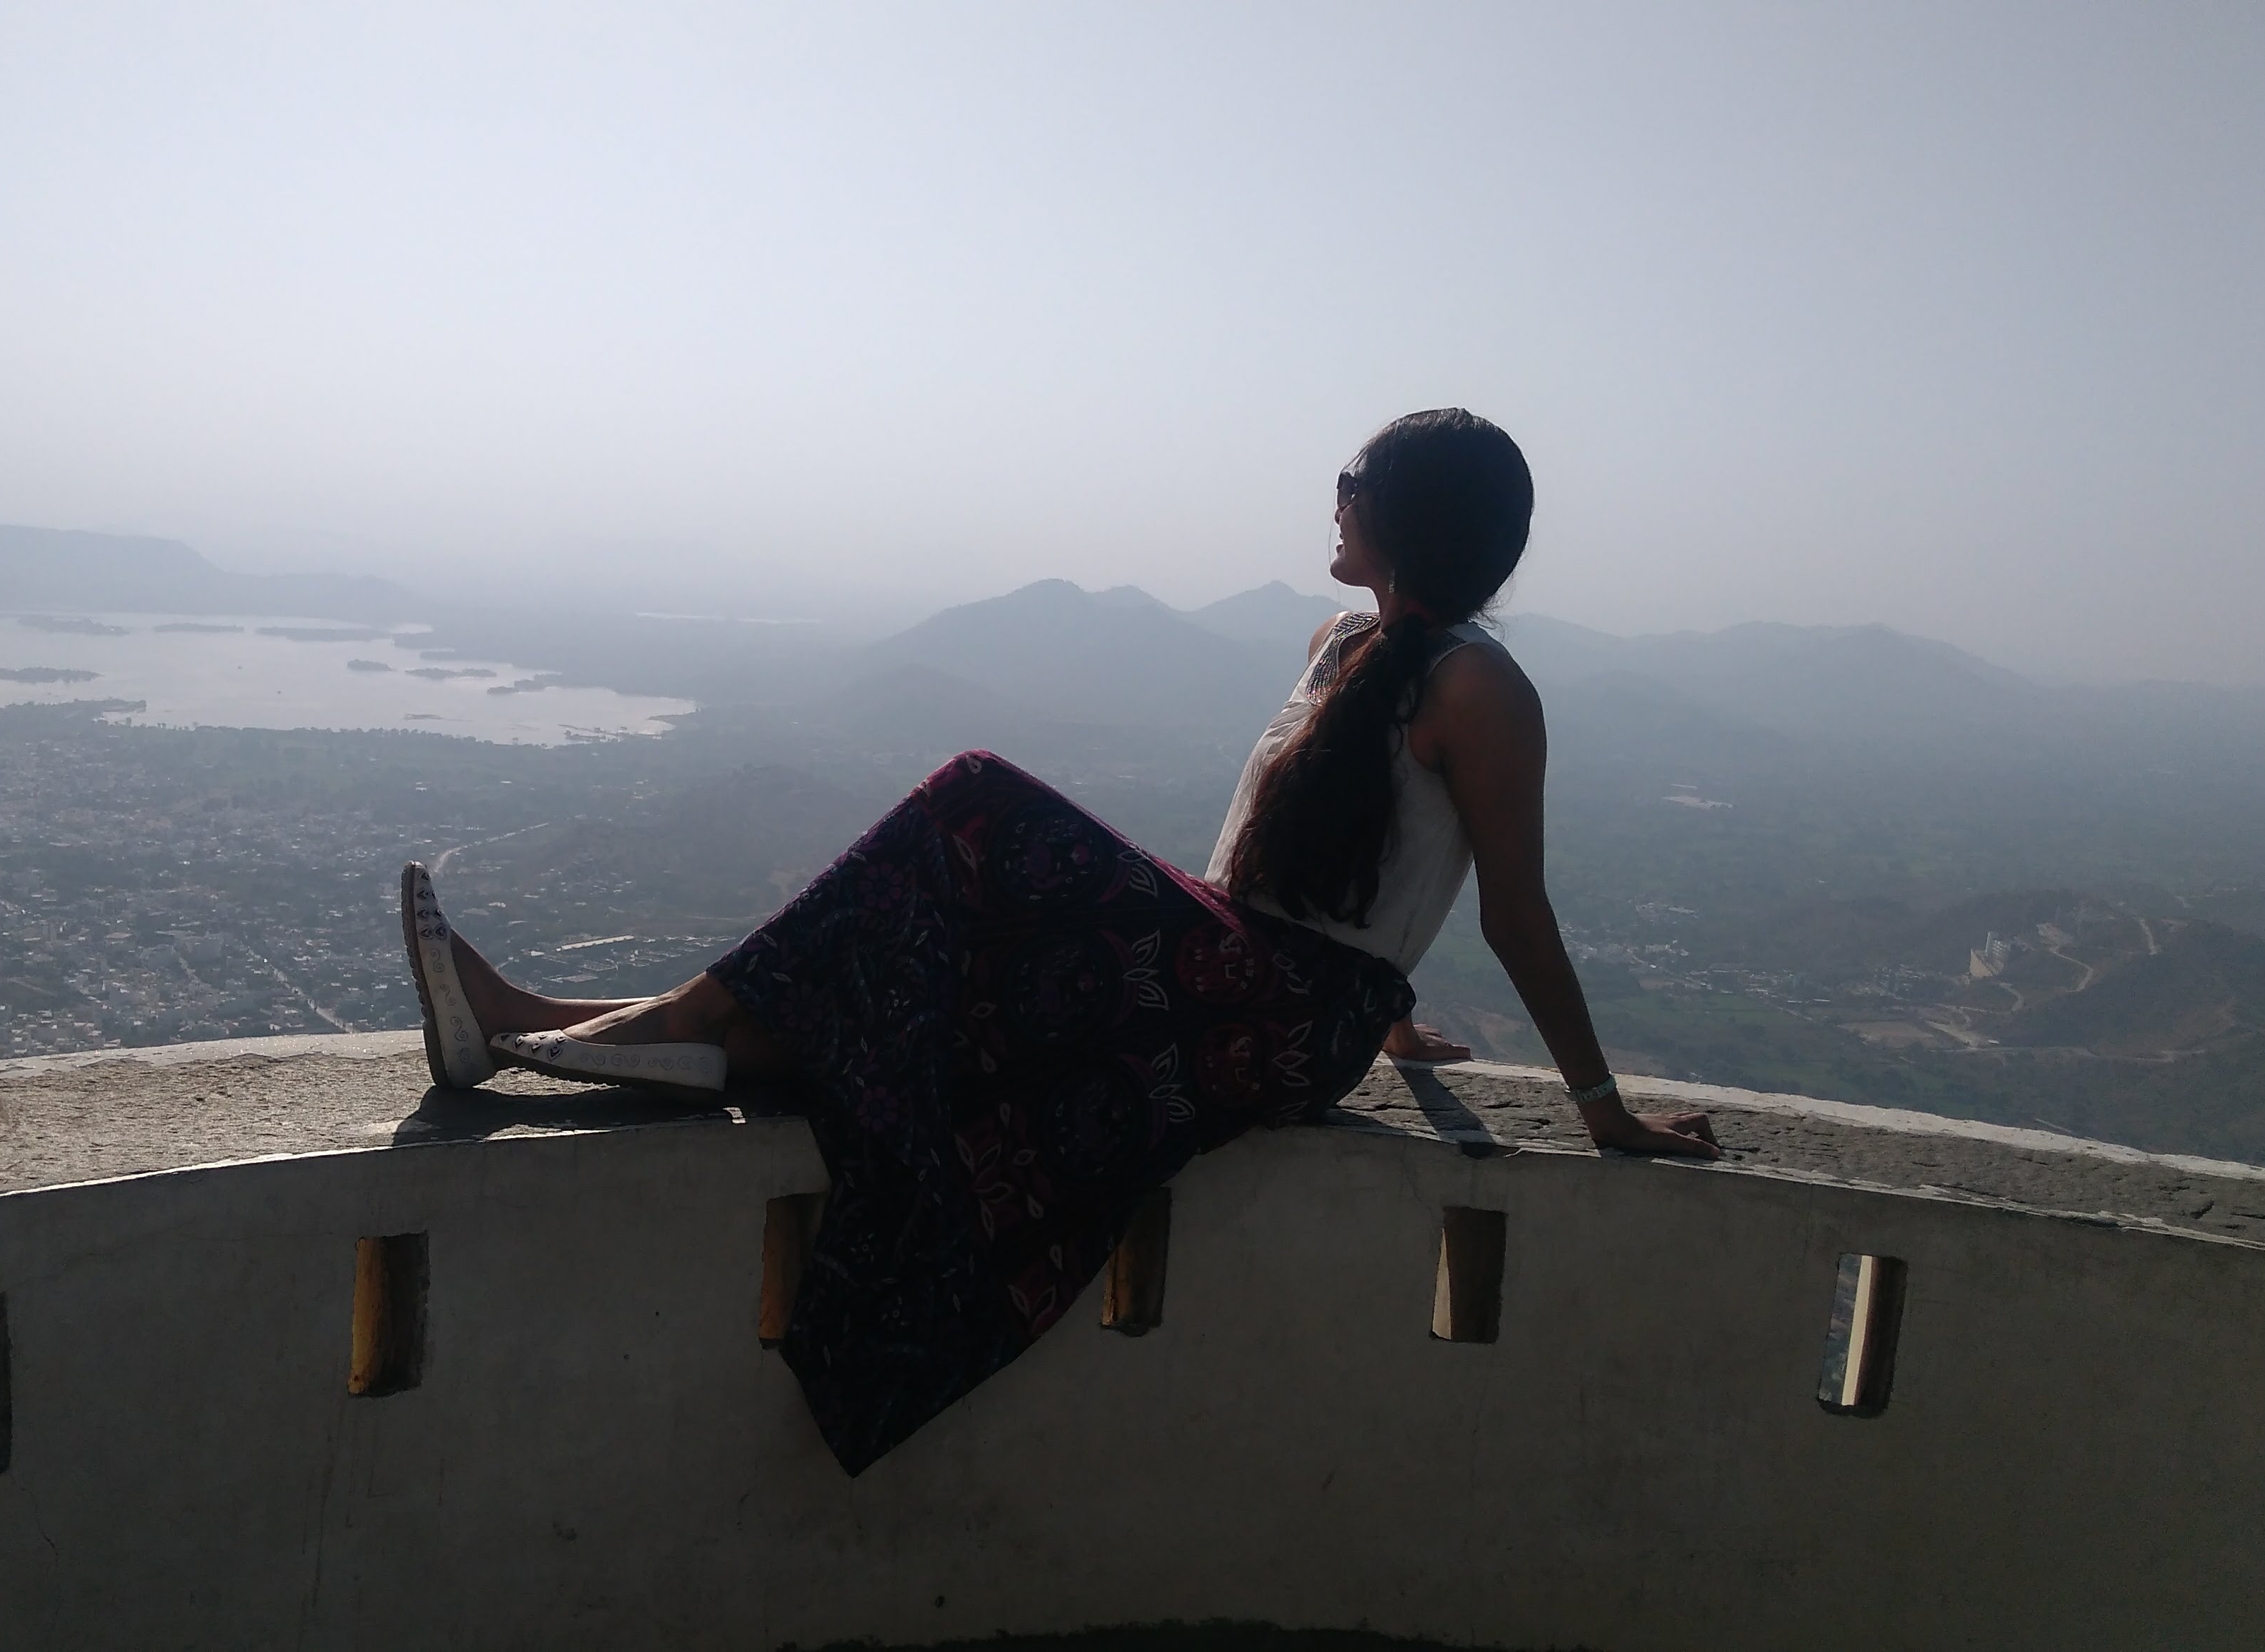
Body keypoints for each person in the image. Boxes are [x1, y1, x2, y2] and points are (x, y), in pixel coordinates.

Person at [400, 407, 1716, 1473]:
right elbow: (1335, 857)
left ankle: (613, 1027)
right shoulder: (1340, 644)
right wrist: (1393, 1018)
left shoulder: (1484, 690)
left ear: (1406, 516)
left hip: (1278, 1018)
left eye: (1352, 481)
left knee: (977, 799)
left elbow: (1508, 909)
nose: (1334, 500)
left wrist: (1598, 1107)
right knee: (941, 969)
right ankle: (558, 1027)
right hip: (1238, 971)